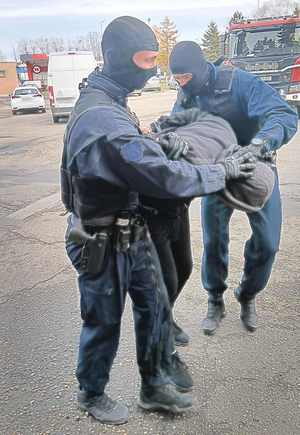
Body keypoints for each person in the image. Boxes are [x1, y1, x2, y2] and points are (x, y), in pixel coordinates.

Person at [61, 18, 253, 424]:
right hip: (100, 238)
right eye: (145, 60)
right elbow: (162, 177)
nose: (151, 70)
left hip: (131, 230)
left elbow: (136, 152)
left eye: (155, 61)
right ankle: (91, 392)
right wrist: (223, 171)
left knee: (155, 304)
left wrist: (157, 139)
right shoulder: (102, 119)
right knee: (104, 321)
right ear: (117, 58)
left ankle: (154, 385)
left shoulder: (108, 96)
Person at [169, 41, 298, 336]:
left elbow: (283, 114)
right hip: (218, 173)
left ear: (201, 70)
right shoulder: (187, 94)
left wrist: (259, 145)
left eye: (185, 78)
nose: (182, 85)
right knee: (214, 242)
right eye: (177, 80)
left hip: (256, 169)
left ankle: (248, 294)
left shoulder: (238, 82)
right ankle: (215, 299)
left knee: (267, 243)